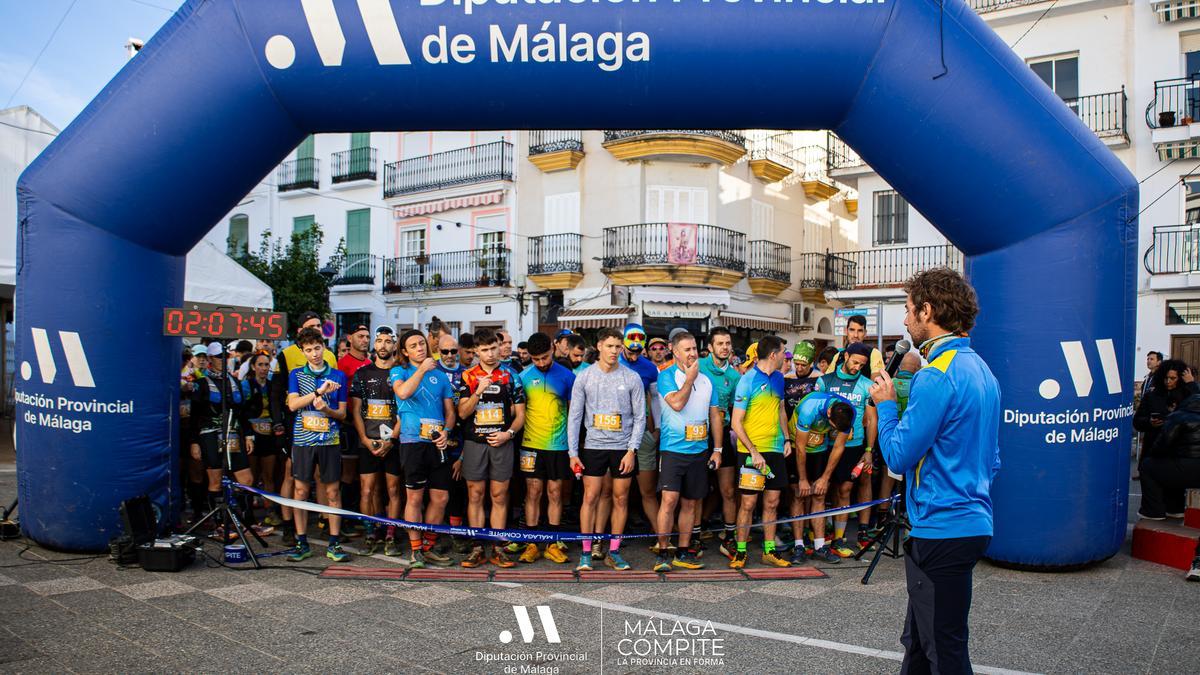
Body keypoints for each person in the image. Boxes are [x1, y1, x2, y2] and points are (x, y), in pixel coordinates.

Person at [869, 266, 1001, 674]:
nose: (905, 321)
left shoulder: (936, 375)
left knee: (943, 650)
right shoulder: (983, 371)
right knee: (921, 646)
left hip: (942, 527)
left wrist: (887, 404)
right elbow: (993, 459)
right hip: (968, 520)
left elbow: (897, 457)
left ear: (928, 311)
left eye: (909, 311)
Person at [568, 327, 646, 572]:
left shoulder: (631, 377)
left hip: (622, 448)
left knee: (620, 498)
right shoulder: (585, 376)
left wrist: (632, 450)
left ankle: (614, 550)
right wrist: (573, 453)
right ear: (599, 346)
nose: (614, 351)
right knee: (590, 497)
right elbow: (575, 416)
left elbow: (640, 417)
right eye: (610, 346)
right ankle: (586, 553)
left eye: (617, 346)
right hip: (593, 446)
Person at [653, 331, 723, 572]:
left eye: (694, 348)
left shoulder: (707, 381)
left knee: (690, 504)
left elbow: (715, 414)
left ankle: (683, 551)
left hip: (699, 450)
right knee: (669, 500)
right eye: (687, 349)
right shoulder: (666, 377)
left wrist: (717, 449)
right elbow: (677, 403)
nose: (693, 353)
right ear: (675, 351)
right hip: (672, 449)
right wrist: (689, 379)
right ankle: (663, 551)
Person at [457, 328, 526, 568]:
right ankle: (477, 547)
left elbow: (520, 415)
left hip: (501, 443)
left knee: (499, 495)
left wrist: (508, 434)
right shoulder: (467, 376)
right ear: (476, 351)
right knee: (475, 495)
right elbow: (462, 413)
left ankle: (498, 547)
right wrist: (478, 390)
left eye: (493, 348)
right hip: (475, 443)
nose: (490, 354)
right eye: (484, 350)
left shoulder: (511, 375)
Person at [270, 311, 336, 546]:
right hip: (294, 422)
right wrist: (277, 422)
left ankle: (324, 520)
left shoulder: (329, 354)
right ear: (300, 333)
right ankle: (289, 523)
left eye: (319, 325)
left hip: (323, 424)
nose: (317, 329)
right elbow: (276, 393)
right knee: (292, 473)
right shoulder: (286, 355)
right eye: (311, 326)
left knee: (320, 476)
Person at [391, 329, 457, 567]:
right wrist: (421, 369)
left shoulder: (440, 376)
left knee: (441, 498)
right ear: (404, 351)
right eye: (413, 346)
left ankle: (428, 546)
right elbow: (403, 392)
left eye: (422, 344)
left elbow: (451, 413)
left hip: (436, 443)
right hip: (412, 443)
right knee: (415, 498)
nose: (420, 348)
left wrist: (446, 433)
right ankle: (415, 549)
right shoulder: (399, 371)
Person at [285, 327, 350, 563]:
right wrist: (317, 392)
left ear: (324, 347)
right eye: (309, 350)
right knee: (301, 490)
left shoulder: (338, 375)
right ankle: (301, 541)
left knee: (332, 491)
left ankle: (334, 542)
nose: (314, 354)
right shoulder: (296, 374)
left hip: (329, 441)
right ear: (302, 352)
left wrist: (327, 409)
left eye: (317, 348)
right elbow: (293, 405)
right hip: (303, 441)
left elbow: (342, 414)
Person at [729, 335, 792, 569]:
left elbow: (781, 410)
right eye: (783, 352)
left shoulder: (779, 378)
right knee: (748, 504)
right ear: (773, 354)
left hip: (775, 448)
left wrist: (786, 438)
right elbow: (736, 422)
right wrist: (753, 451)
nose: (786, 357)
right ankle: (741, 551)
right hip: (751, 451)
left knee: (773, 502)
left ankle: (769, 551)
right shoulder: (747, 380)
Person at [515, 332, 576, 564]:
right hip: (530, 444)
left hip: (559, 445)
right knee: (533, 492)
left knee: (555, 493)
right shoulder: (522, 377)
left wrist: (573, 448)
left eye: (545, 357)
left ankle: (552, 542)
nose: (541, 363)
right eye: (535, 359)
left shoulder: (567, 376)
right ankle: (531, 543)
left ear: (553, 349)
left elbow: (574, 413)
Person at [189, 342, 257, 538]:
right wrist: (194, 442)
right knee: (216, 481)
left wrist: (249, 435)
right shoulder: (202, 383)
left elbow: (241, 411)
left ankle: (245, 519)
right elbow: (195, 415)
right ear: (210, 359)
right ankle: (219, 523)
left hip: (233, 433)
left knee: (247, 479)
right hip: (210, 434)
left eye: (226, 356)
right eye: (219, 357)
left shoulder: (233, 381)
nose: (224, 360)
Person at [817, 341, 877, 555]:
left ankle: (839, 539)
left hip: (853, 445)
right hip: (826, 445)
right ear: (845, 356)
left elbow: (871, 420)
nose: (857, 368)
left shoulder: (866, 385)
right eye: (854, 362)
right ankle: (818, 538)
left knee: (845, 490)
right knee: (822, 492)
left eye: (862, 365)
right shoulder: (825, 381)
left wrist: (869, 450)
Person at [349, 327, 402, 556]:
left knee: (393, 490)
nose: (383, 345)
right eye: (379, 341)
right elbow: (356, 410)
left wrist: (391, 439)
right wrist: (363, 439)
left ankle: (390, 535)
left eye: (388, 341)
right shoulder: (362, 374)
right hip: (368, 441)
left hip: (394, 441)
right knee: (367, 490)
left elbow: (405, 410)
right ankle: (371, 533)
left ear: (394, 345)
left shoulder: (401, 373)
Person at [789, 391, 856, 564]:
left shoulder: (849, 411)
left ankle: (819, 546)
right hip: (798, 446)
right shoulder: (810, 408)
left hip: (819, 449)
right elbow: (800, 447)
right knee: (799, 494)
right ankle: (798, 546)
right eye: (832, 426)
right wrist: (803, 478)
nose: (834, 430)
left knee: (819, 494)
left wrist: (825, 478)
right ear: (828, 414)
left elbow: (838, 447)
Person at [698, 326, 742, 559]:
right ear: (710, 347)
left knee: (727, 490)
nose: (725, 347)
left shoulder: (735, 376)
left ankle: (729, 536)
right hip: (696, 434)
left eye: (728, 343)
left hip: (723, 433)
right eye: (720, 344)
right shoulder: (698, 367)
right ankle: (694, 535)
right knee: (697, 490)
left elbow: (737, 411)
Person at [1138, 392, 1200, 523]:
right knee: (1173, 466)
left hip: (1188, 468)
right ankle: (1175, 509)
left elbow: (1161, 446)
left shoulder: (1178, 416)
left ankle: (1153, 511)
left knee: (1149, 466)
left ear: (1174, 405)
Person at [435, 333, 470, 552]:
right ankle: (435, 535)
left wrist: (465, 452)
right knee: (437, 491)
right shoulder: (431, 372)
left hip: (460, 437)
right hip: (435, 438)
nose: (449, 355)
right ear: (438, 351)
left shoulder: (467, 374)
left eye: (453, 351)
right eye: (445, 351)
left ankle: (456, 534)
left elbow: (472, 419)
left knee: (458, 488)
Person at [337, 324, 373, 531]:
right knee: (348, 474)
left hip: (370, 423)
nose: (365, 340)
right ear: (351, 338)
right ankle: (345, 519)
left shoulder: (370, 363)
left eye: (367, 336)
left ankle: (362, 517)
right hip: (349, 424)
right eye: (360, 336)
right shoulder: (342, 364)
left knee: (365, 475)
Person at [242, 351, 280, 531]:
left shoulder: (273, 385)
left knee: (269, 476)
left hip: (269, 434)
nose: (264, 368)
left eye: (267, 365)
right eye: (260, 365)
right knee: (252, 476)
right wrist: (248, 433)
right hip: (252, 435)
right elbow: (242, 411)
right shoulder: (246, 385)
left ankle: (270, 511)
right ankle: (247, 513)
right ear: (253, 367)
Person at [1134, 359, 1197, 469]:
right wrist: (1149, 422)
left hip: (1178, 457)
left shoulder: (1187, 395)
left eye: (1173, 378)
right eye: (1165, 378)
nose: (1168, 382)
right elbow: (1137, 421)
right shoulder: (1151, 395)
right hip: (1153, 453)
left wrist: (1192, 384)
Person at [783, 341, 819, 419]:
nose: (799, 368)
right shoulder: (787, 378)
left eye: (803, 365)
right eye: (796, 364)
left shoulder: (819, 378)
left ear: (811, 363)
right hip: (789, 424)